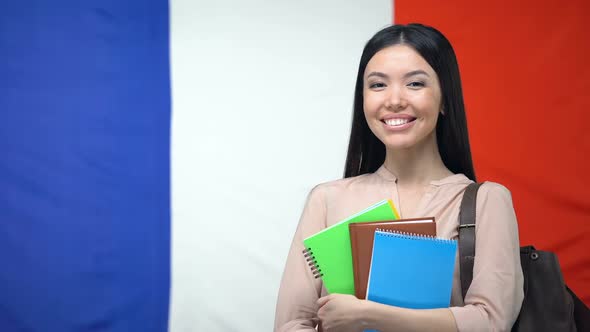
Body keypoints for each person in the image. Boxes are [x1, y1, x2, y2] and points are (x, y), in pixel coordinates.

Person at [274, 23, 524, 332]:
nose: (394, 100)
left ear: (445, 98)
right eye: (378, 85)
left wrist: (370, 315)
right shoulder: (326, 200)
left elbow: (491, 321)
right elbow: (291, 324)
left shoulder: (487, 200)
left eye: (415, 84)